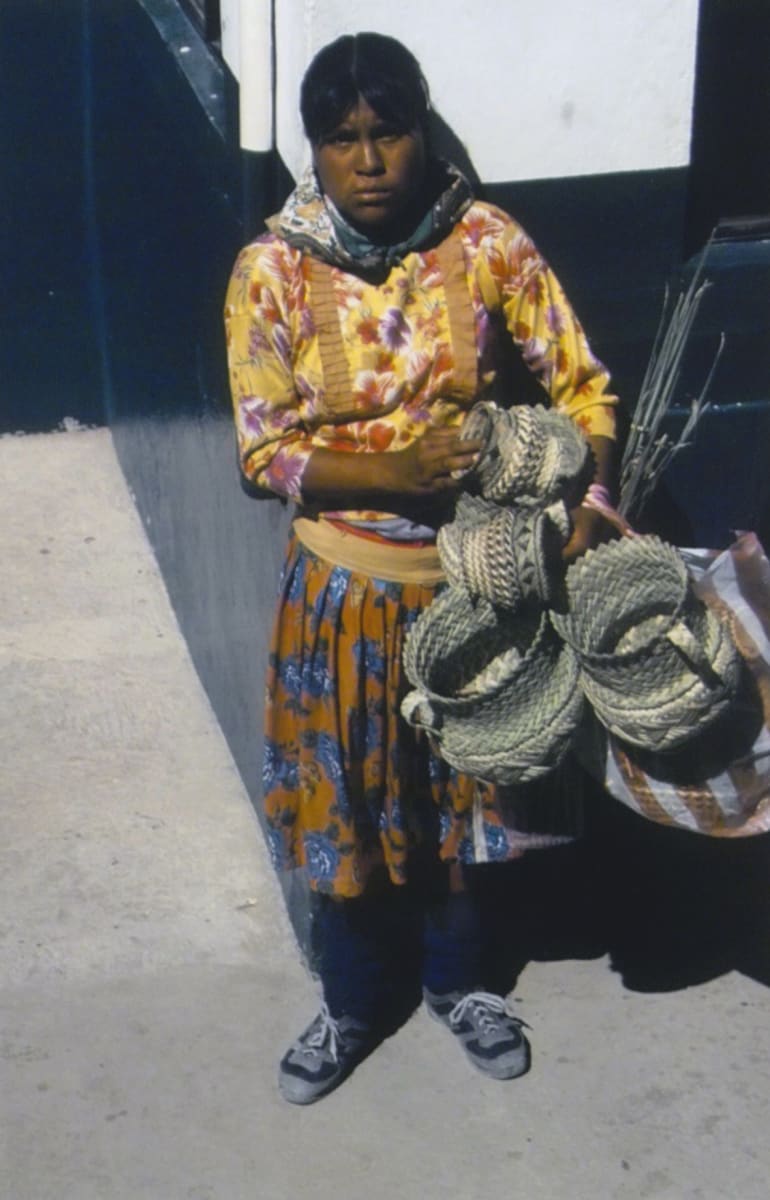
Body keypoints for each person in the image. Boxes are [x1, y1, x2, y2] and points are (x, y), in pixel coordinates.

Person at [225, 31, 619, 1104]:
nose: (367, 160)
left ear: (418, 131)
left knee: (464, 801)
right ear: (313, 149)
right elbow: (262, 450)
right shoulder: (273, 270)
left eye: (386, 132)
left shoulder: (486, 242)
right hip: (338, 597)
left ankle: (462, 985)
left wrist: (584, 505)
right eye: (341, 139)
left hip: (472, 591)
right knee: (348, 804)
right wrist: (391, 471)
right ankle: (350, 1003)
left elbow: (581, 388)